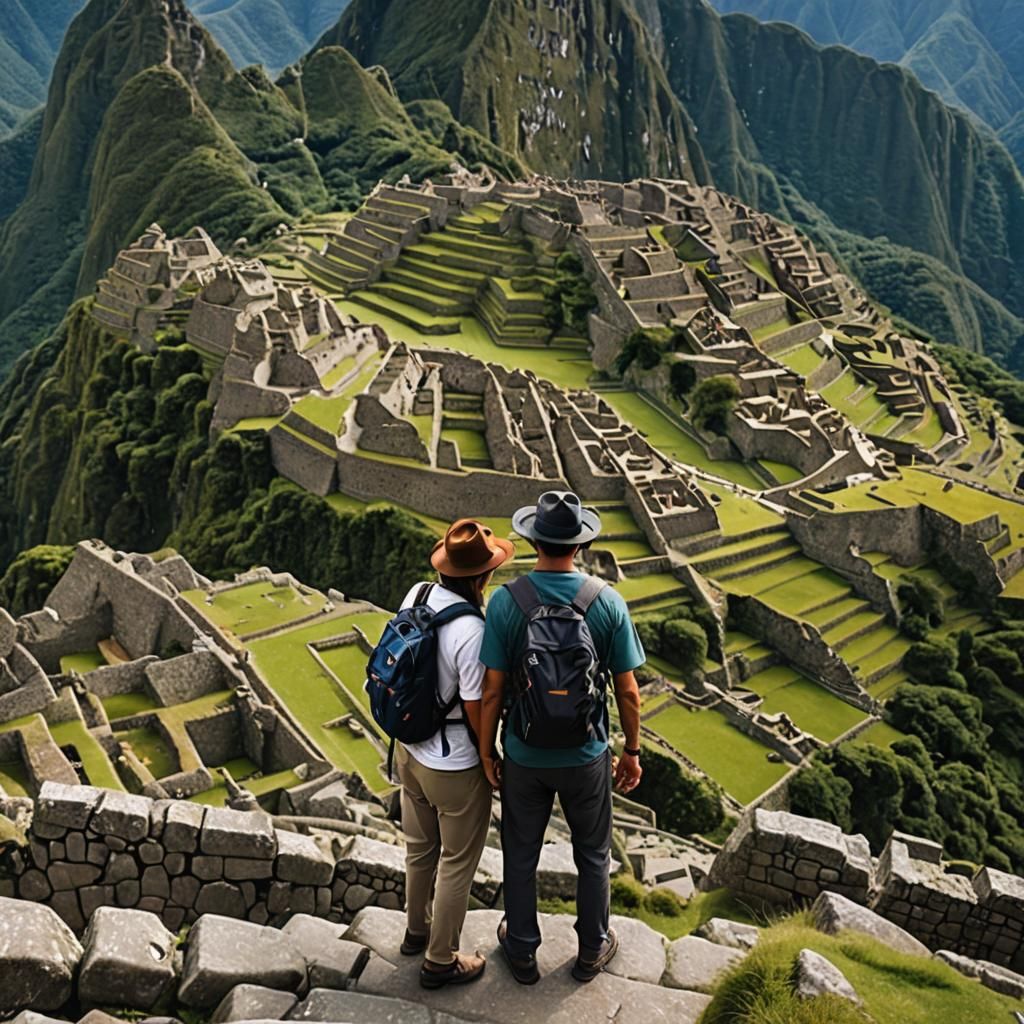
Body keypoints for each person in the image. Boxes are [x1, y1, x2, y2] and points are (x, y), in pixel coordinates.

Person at [478, 491, 645, 985]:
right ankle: (592, 948)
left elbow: (491, 691)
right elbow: (628, 691)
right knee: (593, 854)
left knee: (521, 851)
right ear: (580, 545)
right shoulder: (607, 601)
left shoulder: (509, 603)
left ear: (532, 541)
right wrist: (631, 752)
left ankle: (524, 949)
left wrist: (488, 752)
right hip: (587, 753)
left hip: (526, 753)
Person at [395, 518, 514, 989]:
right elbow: (476, 704)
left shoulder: (417, 595)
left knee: (419, 850)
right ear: (482, 578)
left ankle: (414, 932)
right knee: (458, 862)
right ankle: (440, 960)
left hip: (407, 750)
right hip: (452, 765)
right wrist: (489, 758)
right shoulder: (472, 629)